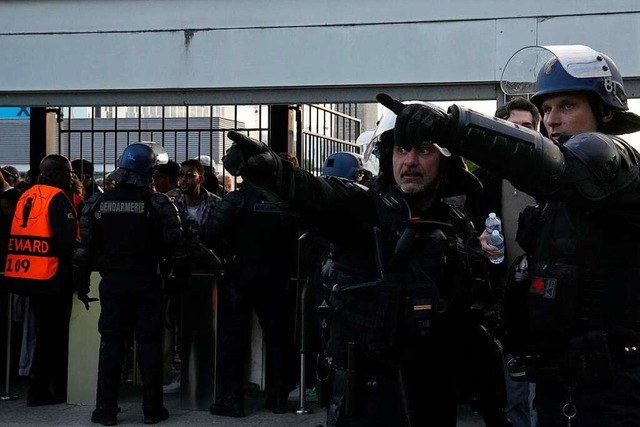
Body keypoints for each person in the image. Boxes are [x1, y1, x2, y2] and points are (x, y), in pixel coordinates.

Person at [380, 44, 640, 427]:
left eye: (567, 106)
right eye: (548, 109)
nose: (552, 119)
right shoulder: (558, 195)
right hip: (560, 383)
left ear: (604, 110)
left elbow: (555, 163)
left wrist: (454, 125)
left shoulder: (616, 160)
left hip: (614, 389)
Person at [219, 99, 509, 426]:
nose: (410, 161)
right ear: (388, 157)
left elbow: (470, 317)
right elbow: (317, 194)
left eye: (424, 150)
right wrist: (274, 171)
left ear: (444, 163)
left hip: (433, 395)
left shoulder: (455, 223)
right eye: (402, 149)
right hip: (368, 396)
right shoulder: (365, 208)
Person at [75, 142, 182, 425]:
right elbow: (175, 242)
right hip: (147, 281)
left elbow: (86, 247)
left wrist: (82, 283)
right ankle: (152, 409)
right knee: (149, 344)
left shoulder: (97, 202)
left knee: (111, 344)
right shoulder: (158, 203)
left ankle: (105, 410)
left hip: (112, 282)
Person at [465, 97, 541, 427]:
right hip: (500, 302)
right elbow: (463, 235)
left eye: (529, 128)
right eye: (514, 127)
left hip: (547, 299)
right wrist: (476, 245)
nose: (522, 134)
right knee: (510, 396)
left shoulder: (553, 178)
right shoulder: (481, 181)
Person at [205, 180, 300, 418]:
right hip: (276, 275)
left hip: (241, 274)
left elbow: (210, 231)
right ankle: (278, 398)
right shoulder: (283, 200)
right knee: (278, 337)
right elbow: (299, 235)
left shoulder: (236, 199)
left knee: (233, 338)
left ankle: (232, 399)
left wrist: (229, 254)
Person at [3, 154, 79, 406]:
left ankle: (40, 388)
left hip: (26, 274)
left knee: (42, 334)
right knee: (53, 337)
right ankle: (44, 391)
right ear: (56, 173)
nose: (70, 176)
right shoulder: (57, 197)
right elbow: (68, 240)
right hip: (51, 276)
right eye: (67, 171)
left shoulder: (27, 194)